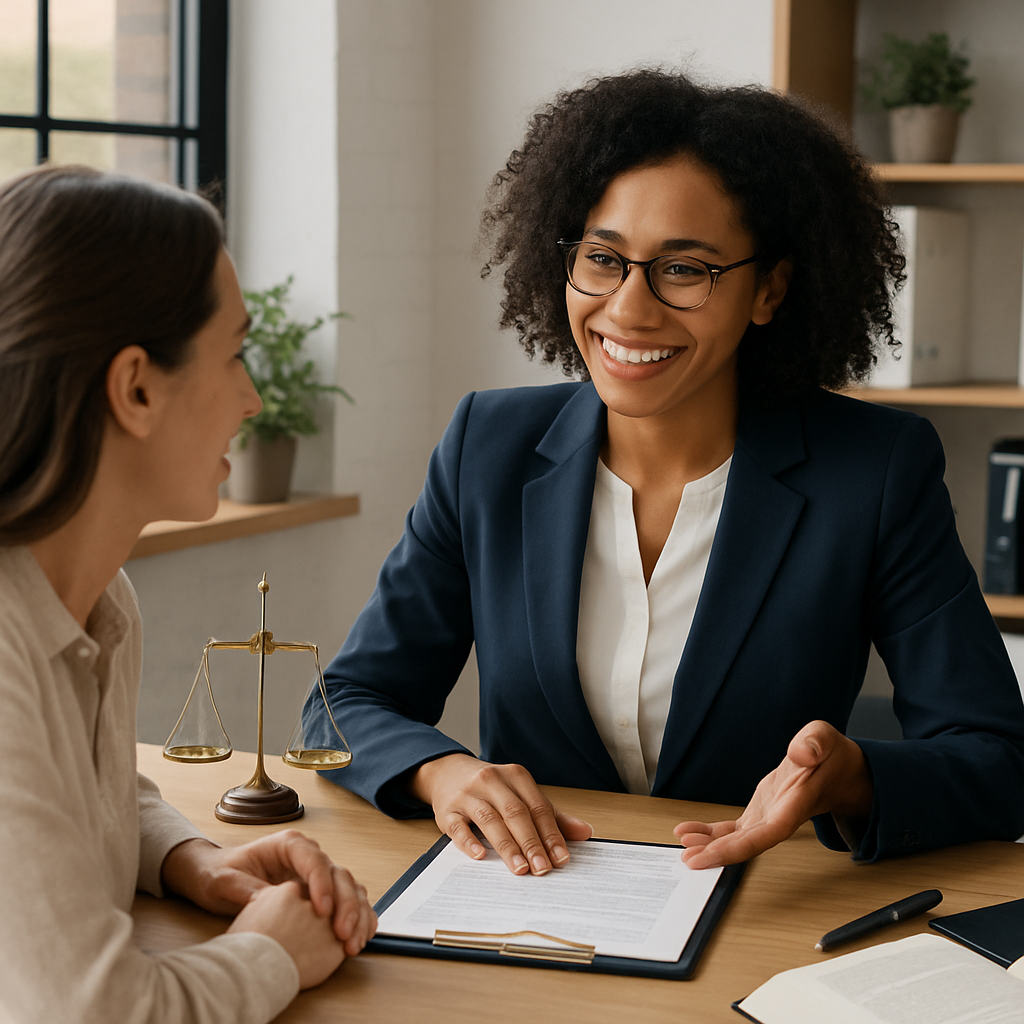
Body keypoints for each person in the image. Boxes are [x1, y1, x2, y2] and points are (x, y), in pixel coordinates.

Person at [314, 70, 1024, 875]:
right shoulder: (489, 445)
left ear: (769, 290)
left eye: (684, 269)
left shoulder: (875, 471)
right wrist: (443, 773)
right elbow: (345, 703)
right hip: (530, 915)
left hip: (760, 917)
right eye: (603, 258)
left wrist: (854, 779)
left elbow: (998, 760)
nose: (629, 309)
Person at [0, 165, 376, 1024]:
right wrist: (272, 955)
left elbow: (72, 799)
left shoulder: (102, 601)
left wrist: (194, 857)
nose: (251, 397)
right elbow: (89, 1012)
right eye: (235, 352)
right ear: (135, 387)